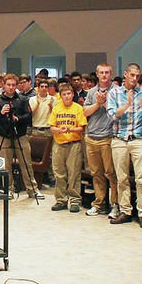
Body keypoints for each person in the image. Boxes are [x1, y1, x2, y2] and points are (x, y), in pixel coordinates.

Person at [107, 63, 142, 226]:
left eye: (137, 76)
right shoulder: (114, 93)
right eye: (132, 75)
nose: (135, 79)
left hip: (139, 140)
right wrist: (127, 105)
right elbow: (112, 115)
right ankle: (125, 211)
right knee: (122, 179)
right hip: (120, 139)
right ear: (125, 74)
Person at [0, 74, 39, 200]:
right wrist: (1, 113)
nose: (11, 87)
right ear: (3, 85)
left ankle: (32, 189)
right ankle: (8, 189)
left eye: (13, 85)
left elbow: (29, 116)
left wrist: (18, 119)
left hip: (21, 135)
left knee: (26, 163)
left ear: (16, 86)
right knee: (6, 165)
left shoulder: (22, 99)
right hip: (4, 135)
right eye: (8, 85)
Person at [82, 63, 118, 217]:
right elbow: (85, 111)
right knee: (96, 173)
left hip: (108, 137)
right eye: (101, 72)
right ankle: (99, 203)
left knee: (111, 174)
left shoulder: (117, 91)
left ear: (111, 74)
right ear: (97, 74)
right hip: (91, 137)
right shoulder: (91, 92)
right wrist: (98, 103)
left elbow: (117, 113)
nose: (104, 75)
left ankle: (115, 204)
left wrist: (105, 102)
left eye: (107, 73)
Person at [48, 83, 86, 213]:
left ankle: (75, 200)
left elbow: (82, 127)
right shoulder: (57, 109)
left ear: (73, 94)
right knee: (59, 173)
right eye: (64, 94)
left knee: (74, 173)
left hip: (74, 144)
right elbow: (51, 126)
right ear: (60, 96)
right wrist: (58, 130)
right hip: (59, 144)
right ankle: (61, 200)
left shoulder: (78, 109)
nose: (67, 96)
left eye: (69, 94)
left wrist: (70, 129)